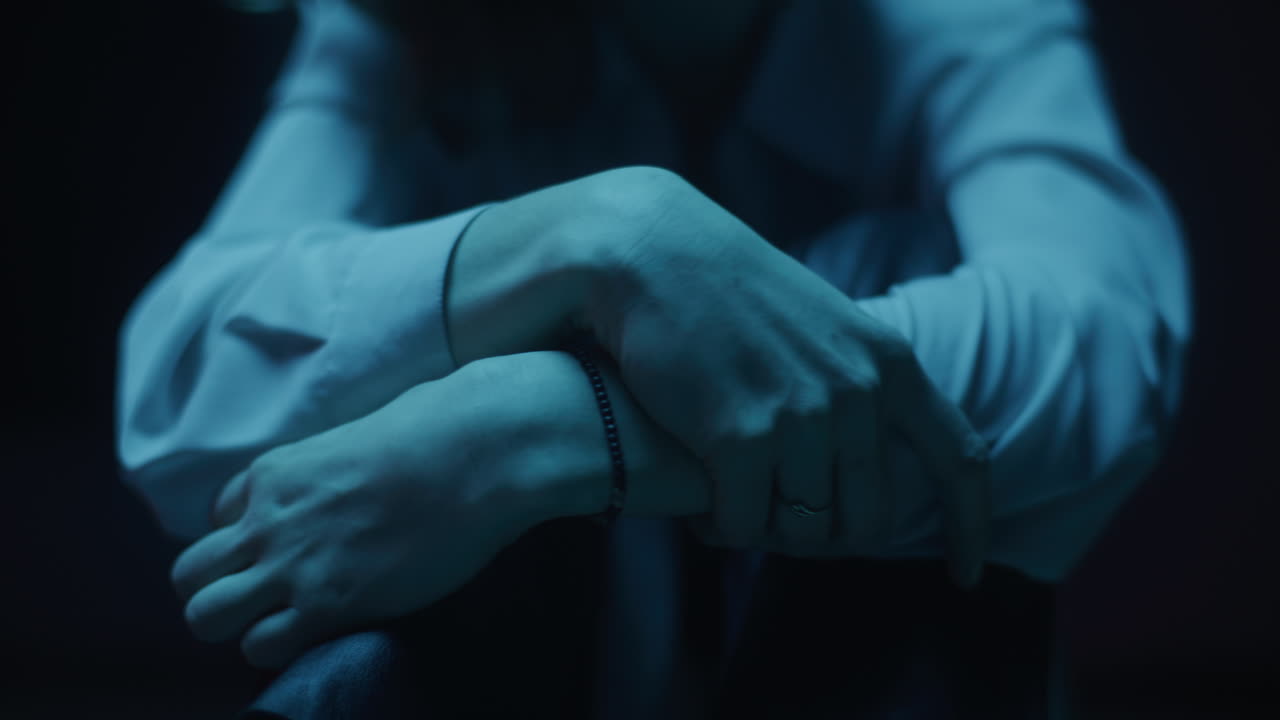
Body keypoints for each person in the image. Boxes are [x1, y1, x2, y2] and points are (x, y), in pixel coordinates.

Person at [114, 0, 1191, 717]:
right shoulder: (408, 28)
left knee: (885, 267)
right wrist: (595, 237)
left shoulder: (947, 18)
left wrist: (529, 428)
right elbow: (178, 381)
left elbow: (1102, 344)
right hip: (518, 677)